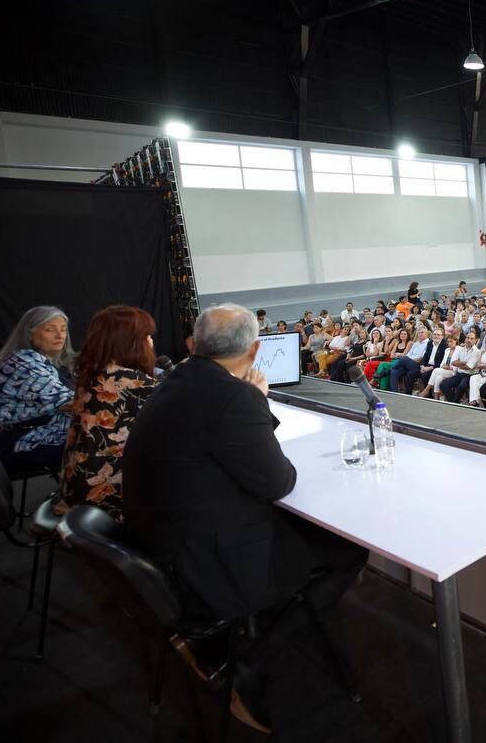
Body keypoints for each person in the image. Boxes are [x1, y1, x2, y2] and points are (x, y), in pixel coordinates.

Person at [124, 305, 368, 732]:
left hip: (154, 540)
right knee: (347, 551)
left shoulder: (175, 380)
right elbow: (278, 481)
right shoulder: (232, 398)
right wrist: (255, 400)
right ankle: (249, 661)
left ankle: (235, 637)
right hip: (198, 559)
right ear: (255, 351)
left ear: (190, 345)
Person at [52, 306, 159, 521]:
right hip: (106, 496)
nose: (151, 343)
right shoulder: (125, 379)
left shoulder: (93, 372)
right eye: (146, 336)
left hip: (76, 485)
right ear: (129, 342)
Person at [0, 306, 76, 476]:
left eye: (63, 330)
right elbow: (72, 404)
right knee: (97, 444)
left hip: (27, 433)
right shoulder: (23, 365)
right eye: (50, 329)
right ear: (30, 334)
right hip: (15, 444)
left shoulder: (34, 359)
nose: (60, 336)